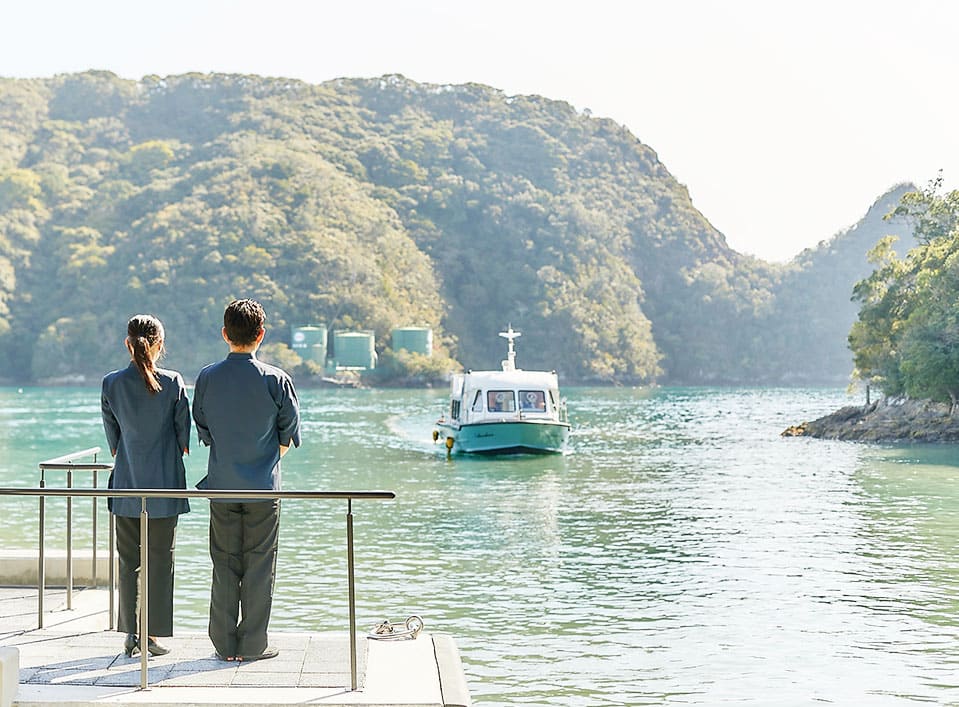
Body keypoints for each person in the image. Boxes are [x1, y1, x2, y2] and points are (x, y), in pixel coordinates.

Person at [192, 299, 301, 662]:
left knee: (224, 564)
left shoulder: (207, 378)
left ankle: (224, 646)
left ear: (225, 334)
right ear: (261, 335)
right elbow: (288, 435)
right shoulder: (277, 380)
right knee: (260, 565)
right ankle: (253, 645)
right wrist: (264, 460)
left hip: (222, 486)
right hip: (263, 490)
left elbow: (204, 429)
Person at [101, 314, 191, 658]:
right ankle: (150, 636)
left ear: (128, 344)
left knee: (129, 563)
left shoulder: (111, 383)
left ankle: (130, 633)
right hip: (165, 487)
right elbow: (184, 441)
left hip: (126, 485)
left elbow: (114, 441)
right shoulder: (173, 382)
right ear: (160, 344)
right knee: (159, 562)